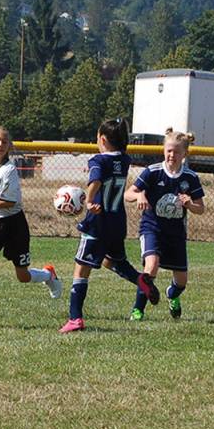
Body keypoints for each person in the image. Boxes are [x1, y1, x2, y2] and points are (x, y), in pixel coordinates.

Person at [60, 118, 155, 333]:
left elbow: (95, 181)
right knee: (113, 262)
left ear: (101, 139)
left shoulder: (98, 160)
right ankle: (140, 279)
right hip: (116, 223)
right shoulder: (125, 159)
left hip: (97, 223)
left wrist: (90, 200)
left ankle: (75, 318)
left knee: (81, 269)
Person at [0, 126, 63, 319]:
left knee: (23, 276)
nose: (0, 144)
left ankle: (48, 275)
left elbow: (9, 202)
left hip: (14, 225)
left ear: (9, 145)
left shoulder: (9, 170)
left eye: (4, 141)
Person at [124, 128, 205, 320]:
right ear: (163, 151)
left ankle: (172, 295)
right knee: (151, 267)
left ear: (185, 153)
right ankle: (138, 309)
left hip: (176, 234)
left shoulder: (190, 178)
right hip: (152, 228)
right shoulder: (153, 172)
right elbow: (128, 194)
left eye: (176, 151)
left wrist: (189, 204)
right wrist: (140, 195)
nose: (172, 155)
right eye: (169, 150)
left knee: (182, 282)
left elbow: (201, 208)